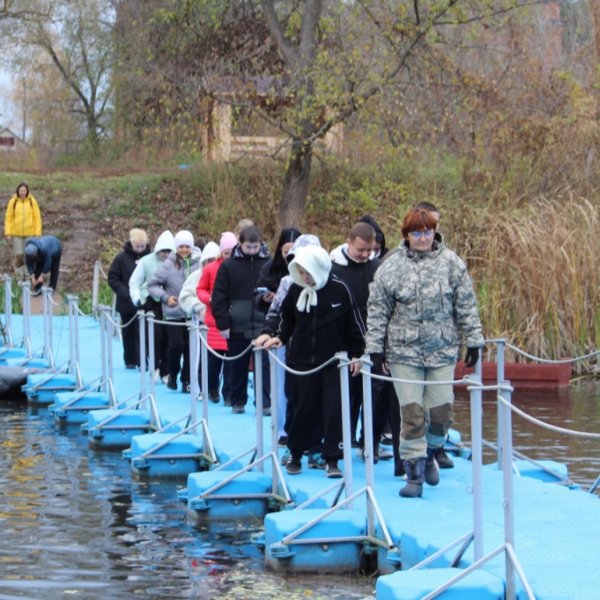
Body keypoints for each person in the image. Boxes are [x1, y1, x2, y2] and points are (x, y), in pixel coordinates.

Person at [365, 207, 484, 498]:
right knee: (412, 413)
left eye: (427, 232)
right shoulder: (391, 266)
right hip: (404, 353)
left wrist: (474, 340)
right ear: (406, 235)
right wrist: (375, 349)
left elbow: (466, 303)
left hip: (442, 350)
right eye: (416, 233)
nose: (422, 238)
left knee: (440, 412)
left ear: (434, 232)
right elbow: (378, 310)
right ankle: (414, 474)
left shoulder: (451, 264)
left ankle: (431, 451)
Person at [260, 245, 365, 479]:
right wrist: (280, 336)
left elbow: (355, 325)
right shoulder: (297, 290)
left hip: (333, 362)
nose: (305, 277)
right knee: (301, 409)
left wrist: (357, 353)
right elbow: (286, 318)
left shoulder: (340, 289)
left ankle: (331, 458)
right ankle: (296, 453)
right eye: (301, 273)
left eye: (308, 272)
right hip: (302, 360)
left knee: (333, 410)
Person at [211, 225, 271, 415]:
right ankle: (238, 400)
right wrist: (222, 322)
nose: (252, 251)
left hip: (264, 323)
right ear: (241, 244)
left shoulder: (269, 264)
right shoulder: (229, 266)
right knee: (238, 365)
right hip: (237, 322)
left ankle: (264, 402)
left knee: (265, 367)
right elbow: (219, 296)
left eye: (255, 247)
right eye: (248, 247)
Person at [330, 221, 378, 451]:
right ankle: (341, 439)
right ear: (349, 242)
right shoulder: (334, 269)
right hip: (342, 340)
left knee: (371, 395)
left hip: (372, 338)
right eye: (361, 250)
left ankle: (369, 441)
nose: (366, 255)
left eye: (370, 250)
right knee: (343, 395)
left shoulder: (376, 267)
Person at [147, 230, 202, 392]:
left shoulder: (198, 264)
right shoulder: (168, 264)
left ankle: (187, 380)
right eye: (181, 247)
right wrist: (165, 297)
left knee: (191, 347)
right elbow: (152, 285)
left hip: (192, 314)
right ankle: (172, 373)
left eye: (187, 246)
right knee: (176, 345)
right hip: (173, 313)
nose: (184, 250)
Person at [129, 230, 176, 381]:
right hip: (150, 303)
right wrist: (136, 298)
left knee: (169, 337)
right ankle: (154, 366)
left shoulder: (178, 263)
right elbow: (134, 282)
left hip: (171, 302)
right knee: (155, 335)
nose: (165, 254)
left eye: (169, 251)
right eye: (163, 251)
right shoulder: (146, 261)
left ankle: (166, 371)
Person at [196, 231, 238, 404]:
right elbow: (200, 289)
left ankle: (228, 392)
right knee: (212, 362)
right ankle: (211, 389)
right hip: (214, 322)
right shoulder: (210, 268)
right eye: (226, 253)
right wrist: (210, 299)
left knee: (232, 362)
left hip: (235, 318)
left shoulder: (240, 267)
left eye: (232, 252)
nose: (229, 256)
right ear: (221, 252)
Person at [108, 228, 151, 369]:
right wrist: (125, 293)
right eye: (137, 246)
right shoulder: (121, 259)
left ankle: (143, 359)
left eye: (142, 246)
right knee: (128, 333)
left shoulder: (149, 258)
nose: (140, 249)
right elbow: (113, 278)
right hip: (126, 302)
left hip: (145, 301)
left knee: (144, 332)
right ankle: (130, 360)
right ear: (131, 244)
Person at [4, 182, 42, 271]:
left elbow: (37, 217)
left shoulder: (32, 201)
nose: (22, 192)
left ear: (27, 191)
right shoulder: (13, 202)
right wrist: (8, 232)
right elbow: (8, 217)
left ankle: (29, 276)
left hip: (30, 233)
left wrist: (37, 233)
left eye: (24, 190)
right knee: (19, 255)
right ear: (18, 191)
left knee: (29, 254)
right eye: (21, 190)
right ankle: (18, 277)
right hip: (17, 233)